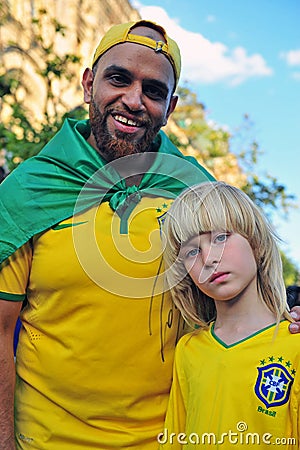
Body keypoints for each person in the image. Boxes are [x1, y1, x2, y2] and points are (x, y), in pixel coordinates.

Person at [0, 20, 299, 450]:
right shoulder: (30, 190)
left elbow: (242, 285)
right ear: (89, 84)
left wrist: (286, 326)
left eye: (154, 91)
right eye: (118, 78)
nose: (134, 100)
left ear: (170, 107)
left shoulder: (193, 187)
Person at [160, 181, 300, 449]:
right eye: (191, 251)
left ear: (256, 242)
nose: (208, 259)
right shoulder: (189, 350)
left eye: (221, 237)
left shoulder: (295, 343)